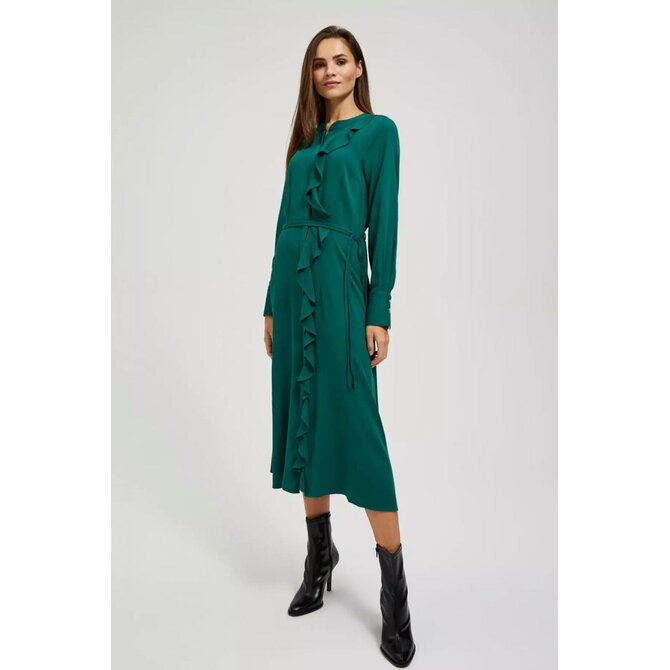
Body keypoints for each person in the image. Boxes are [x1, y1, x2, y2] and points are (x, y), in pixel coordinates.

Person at [262, 25, 416, 667]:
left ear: (358, 69)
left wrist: (379, 310)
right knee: (306, 412)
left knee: (360, 429)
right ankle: (319, 556)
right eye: (319, 63)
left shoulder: (379, 133)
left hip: (345, 291)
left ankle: (394, 594)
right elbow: (284, 223)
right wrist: (272, 301)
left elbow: (386, 225)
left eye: (340, 60)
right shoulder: (305, 141)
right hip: (295, 292)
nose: (329, 70)